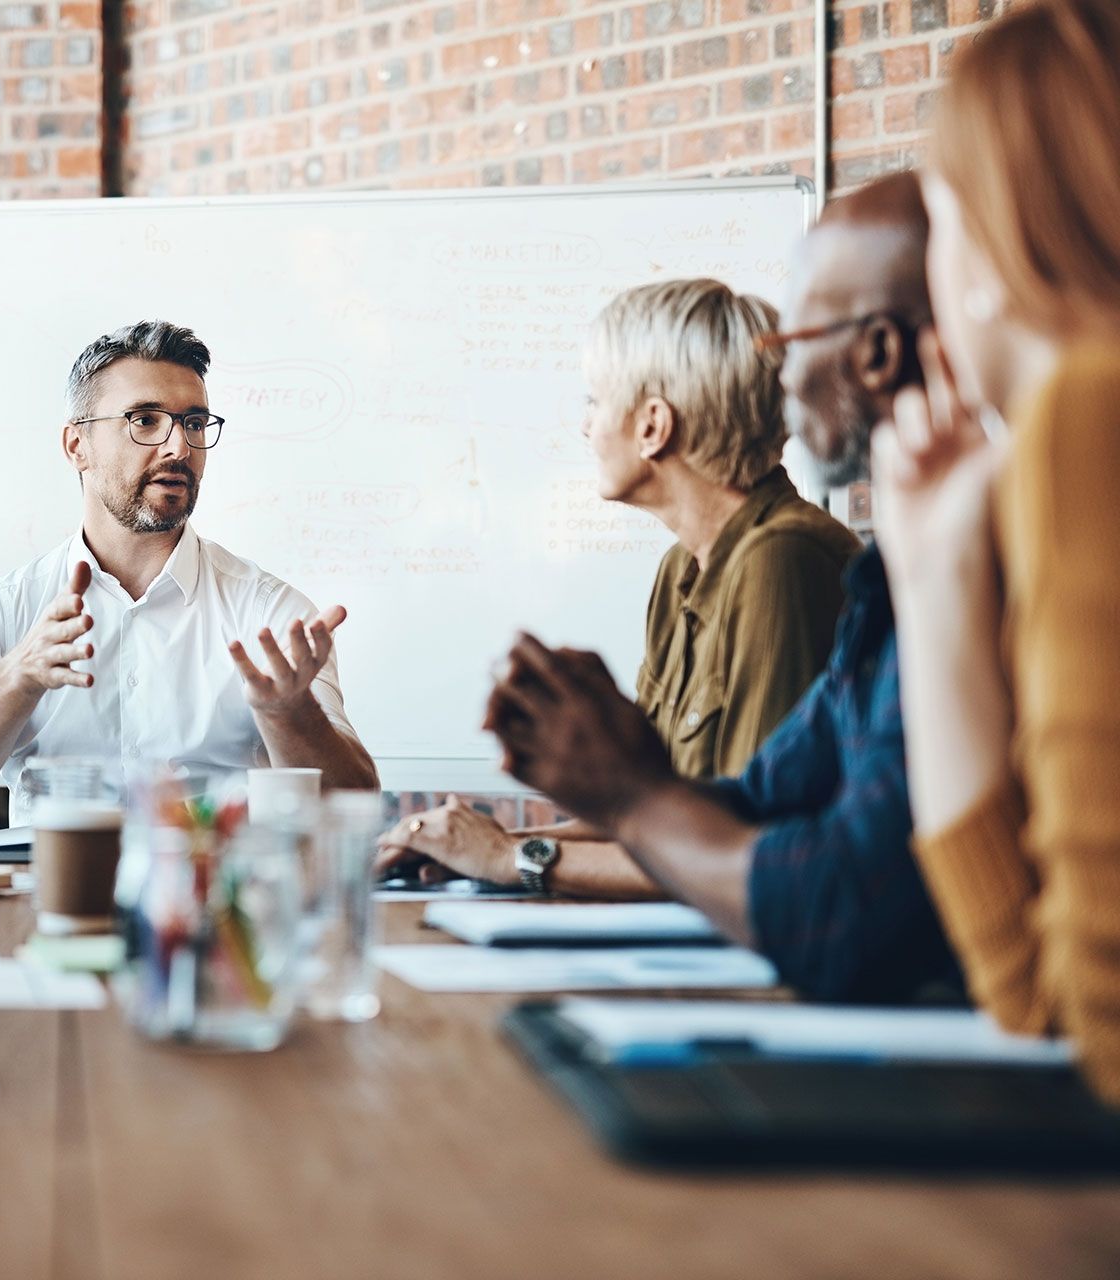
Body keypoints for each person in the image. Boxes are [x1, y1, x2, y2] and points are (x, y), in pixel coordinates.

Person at [472, 174, 961, 1003]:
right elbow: (739, 797)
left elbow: (766, 855)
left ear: (654, 425)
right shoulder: (880, 575)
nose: (782, 380)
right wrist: (519, 831)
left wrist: (525, 855)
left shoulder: (795, 561)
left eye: (794, 340)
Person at [377, 280, 859, 885]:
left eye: (595, 401)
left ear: (653, 426)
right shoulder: (682, 568)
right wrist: (470, 846)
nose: (585, 427)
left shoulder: (781, 558)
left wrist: (510, 859)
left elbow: (740, 848)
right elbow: (651, 817)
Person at [873, 0, 1120, 1101]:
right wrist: (931, 571)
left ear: (989, 238)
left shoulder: (1090, 412)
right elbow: (1036, 991)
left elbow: (1077, 1015)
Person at [0, 320, 378, 827]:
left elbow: (355, 808)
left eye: (193, 422)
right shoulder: (2, 612)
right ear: (77, 445)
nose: (179, 448)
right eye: (144, 420)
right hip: (50, 897)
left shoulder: (270, 616)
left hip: (213, 898)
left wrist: (288, 715)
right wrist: (18, 677)